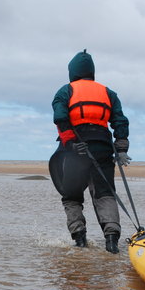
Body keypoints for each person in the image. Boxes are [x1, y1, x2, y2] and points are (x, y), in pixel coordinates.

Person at [51, 49, 130, 254]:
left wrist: (71, 142)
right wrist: (121, 148)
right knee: (104, 193)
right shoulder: (108, 93)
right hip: (102, 146)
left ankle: (79, 242)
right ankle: (112, 242)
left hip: (75, 149)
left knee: (72, 196)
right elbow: (120, 121)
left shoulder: (65, 91)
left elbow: (60, 117)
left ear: (73, 72)